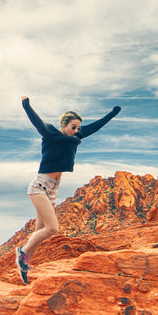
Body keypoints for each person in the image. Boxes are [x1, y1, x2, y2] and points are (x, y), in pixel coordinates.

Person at [16, 96, 121, 283]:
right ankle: (22, 253)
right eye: (73, 126)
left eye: (78, 127)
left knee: (40, 230)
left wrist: (112, 114)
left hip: (53, 189)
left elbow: (95, 126)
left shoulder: (77, 136)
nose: (76, 130)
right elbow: (37, 122)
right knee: (52, 228)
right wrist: (26, 105)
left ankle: (25, 265)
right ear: (64, 124)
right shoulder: (50, 133)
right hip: (40, 186)